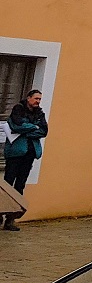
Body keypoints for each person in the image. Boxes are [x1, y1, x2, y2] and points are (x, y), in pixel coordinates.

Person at [4, 89, 48, 231]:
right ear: (28, 98)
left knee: (20, 185)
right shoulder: (18, 109)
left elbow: (43, 131)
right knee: (7, 185)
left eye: (40, 99)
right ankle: (0, 213)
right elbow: (15, 125)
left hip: (29, 153)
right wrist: (32, 127)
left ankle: (11, 219)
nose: (38, 101)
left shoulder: (40, 113)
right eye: (36, 98)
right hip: (15, 153)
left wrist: (26, 129)